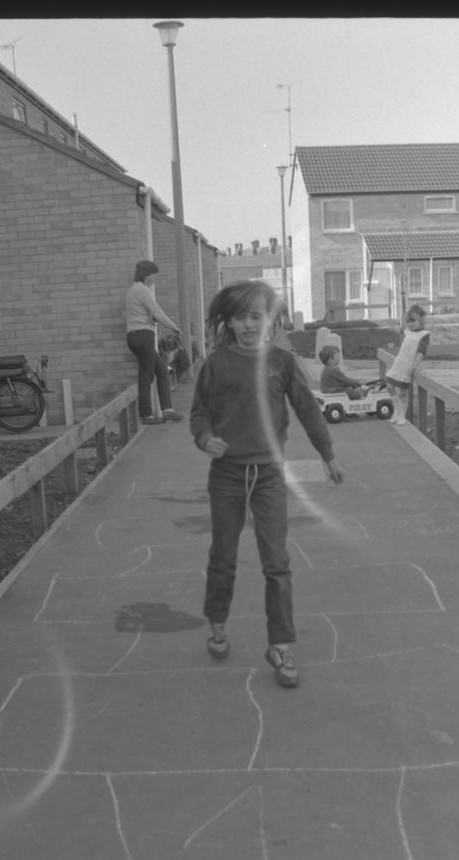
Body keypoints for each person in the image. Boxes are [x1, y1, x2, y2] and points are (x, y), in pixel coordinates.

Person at [189, 280, 344, 688]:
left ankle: (280, 644)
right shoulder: (217, 364)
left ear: (270, 318)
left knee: (277, 563)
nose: (247, 324)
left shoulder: (283, 362)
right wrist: (206, 439)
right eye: (239, 317)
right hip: (227, 476)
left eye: (256, 316)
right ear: (229, 322)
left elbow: (308, 410)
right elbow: (199, 414)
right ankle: (218, 621)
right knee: (223, 554)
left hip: (270, 477)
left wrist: (327, 456)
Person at [125, 260, 184, 424]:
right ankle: (146, 415)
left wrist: (150, 318)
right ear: (147, 274)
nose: (154, 279)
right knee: (146, 374)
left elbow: (144, 314)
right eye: (154, 275)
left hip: (134, 335)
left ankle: (167, 410)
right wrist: (174, 327)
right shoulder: (142, 290)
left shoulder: (132, 291)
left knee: (161, 370)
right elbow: (157, 313)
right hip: (144, 335)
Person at [384, 304, 430, 424]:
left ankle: (402, 416)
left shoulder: (424, 335)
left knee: (403, 392)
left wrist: (414, 366)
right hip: (399, 362)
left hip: (409, 365)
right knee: (389, 385)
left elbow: (421, 352)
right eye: (409, 321)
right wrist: (393, 345)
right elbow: (401, 343)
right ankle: (396, 411)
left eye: (413, 321)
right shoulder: (407, 332)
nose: (411, 324)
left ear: (420, 320)